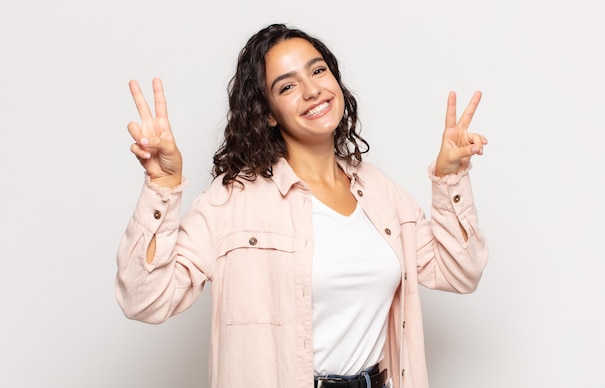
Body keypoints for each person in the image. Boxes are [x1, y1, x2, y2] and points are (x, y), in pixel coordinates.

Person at [116, 23, 488, 388]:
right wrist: (162, 186)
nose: (312, 90)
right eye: (288, 85)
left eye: (318, 70)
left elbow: (459, 272)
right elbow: (145, 300)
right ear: (268, 112)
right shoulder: (231, 201)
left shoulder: (380, 191)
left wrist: (450, 178)